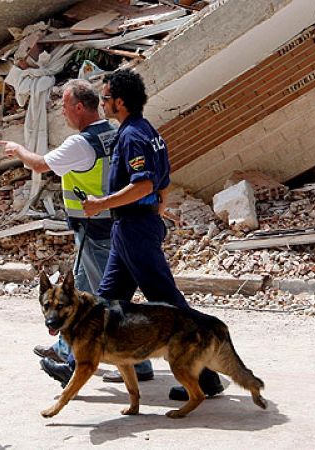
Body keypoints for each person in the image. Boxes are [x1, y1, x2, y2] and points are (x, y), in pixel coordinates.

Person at [0, 79, 155, 385]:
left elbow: (40, 165)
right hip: (109, 224)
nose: (62, 112)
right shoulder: (112, 132)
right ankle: (65, 349)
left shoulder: (80, 144)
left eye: (65, 106)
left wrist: (18, 150)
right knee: (79, 289)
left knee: (108, 300)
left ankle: (136, 363)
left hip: (96, 229)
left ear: (79, 107)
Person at [82, 69, 225, 401]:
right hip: (132, 227)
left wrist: (101, 204)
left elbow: (144, 184)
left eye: (105, 98)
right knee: (107, 301)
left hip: (134, 228)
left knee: (168, 303)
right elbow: (163, 182)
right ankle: (72, 361)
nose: (102, 104)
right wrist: (156, 211)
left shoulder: (133, 136)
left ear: (120, 102)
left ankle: (206, 376)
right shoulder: (146, 131)